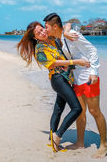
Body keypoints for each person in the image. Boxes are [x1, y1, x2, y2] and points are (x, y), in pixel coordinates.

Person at [17, 21, 90, 153]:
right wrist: (76, 62)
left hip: (66, 79)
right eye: (39, 33)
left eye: (42, 29)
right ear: (35, 37)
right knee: (77, 108)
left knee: (58, 109)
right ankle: (58, 135)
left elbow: (67, 24)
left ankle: (52, 138)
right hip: (58, 79)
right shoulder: (39, 49)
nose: (43, 32)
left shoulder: (52, 38)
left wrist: (66, 33)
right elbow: (53, 63)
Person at [43, 13, 107, 159]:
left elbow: (92, 50)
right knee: (81, 112)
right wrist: (65, 30)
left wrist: (94, 71)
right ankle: (80, 142)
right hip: (76, 79)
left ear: (54, 26)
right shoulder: (60, 37)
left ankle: (104, 145)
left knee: (94, 111)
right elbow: (66, 25)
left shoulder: (72, 34)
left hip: (89, 77)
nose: (45, 29)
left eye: (46, 26)